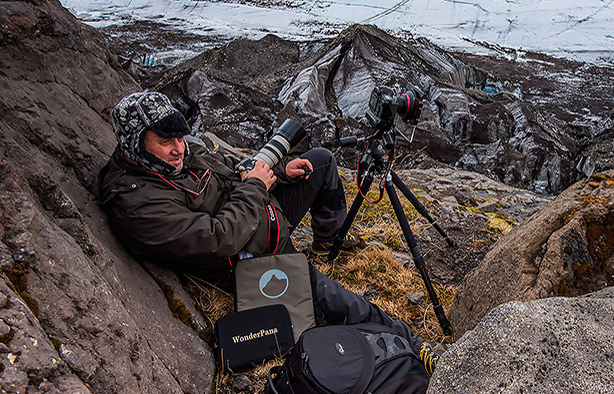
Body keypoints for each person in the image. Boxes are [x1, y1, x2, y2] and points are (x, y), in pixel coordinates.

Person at [97, 91, 438, 371]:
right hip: (244, 256)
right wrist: (256, 188)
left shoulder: (171, 158)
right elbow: (219, 239)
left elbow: (232, 168)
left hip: (256, 213)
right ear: (135, 142)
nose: (178, 149)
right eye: (165, 141)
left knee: (319, 161)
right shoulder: (137, 204)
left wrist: (281, 171)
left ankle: (327, 238)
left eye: (179, 138)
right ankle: (410, 342)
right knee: (327, 294)